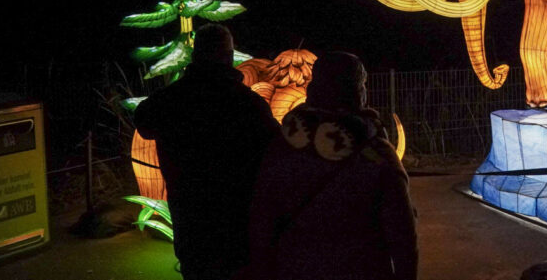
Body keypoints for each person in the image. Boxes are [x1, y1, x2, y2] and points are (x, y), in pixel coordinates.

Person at [246, 51, 418, 280]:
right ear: (358, 93)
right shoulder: (377, 155)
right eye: (363, 85)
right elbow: (402, 236)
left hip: (294, 269)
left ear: (313, 90)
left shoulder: (283, 146)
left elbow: (262, 220)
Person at [134, 24, 278, 280]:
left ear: (195, 55)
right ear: (229, 57)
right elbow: (275, 148)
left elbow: (143, 121)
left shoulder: (170, 100)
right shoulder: (249, 104)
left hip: (189, 216)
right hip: (236, 222)